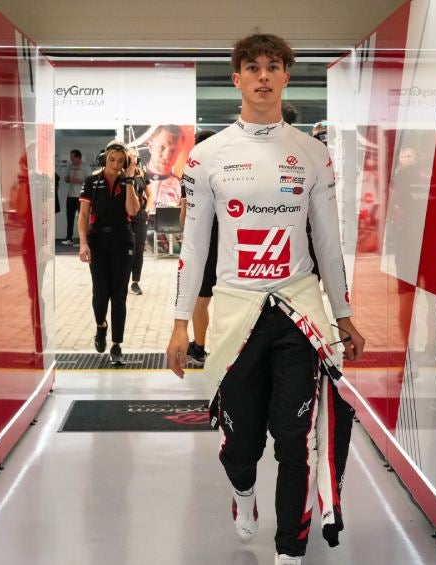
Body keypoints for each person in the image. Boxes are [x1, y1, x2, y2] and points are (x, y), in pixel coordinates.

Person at [167, 34, 364, 565]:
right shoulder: (206, 157)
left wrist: (343, 314)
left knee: (295, 439)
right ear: (236, 79)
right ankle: (244, 491)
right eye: (251, 67)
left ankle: (289, 551)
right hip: (236, 313)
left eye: (272, 67)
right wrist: (181, 323)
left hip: (298, 311)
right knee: (242, 444)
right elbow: (194, 246)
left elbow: (327, 243)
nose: (262, 76)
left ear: (285, 77)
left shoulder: (313, 154)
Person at [79, 141, 141, 365]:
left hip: (122, 242)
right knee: (100, 293)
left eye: (120, 161)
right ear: (104, 159)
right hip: (97, 243)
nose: (115, 165)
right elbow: (83, 216)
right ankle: (101, 326)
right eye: (112, 160)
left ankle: (116, 345)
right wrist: (83, 243)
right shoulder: (91, 182)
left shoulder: (129, 182)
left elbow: (133, 210)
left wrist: (130, 180)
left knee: (119, 295)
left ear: (126, 163)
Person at [179, 129, 217, 364]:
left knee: (200, 301)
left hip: (204, 244)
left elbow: (185, 217)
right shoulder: (231, 171)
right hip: (233, 243)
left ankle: (200, 348)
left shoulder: (191, 172)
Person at [144, 124, 186, 212]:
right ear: (151, 147)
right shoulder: (133, 181)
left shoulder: (180, 187)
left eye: (174, 150)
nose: (167, 156)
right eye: (162, 147)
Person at [125, 147, 149, 295]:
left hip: (140, 215)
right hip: (124, 216)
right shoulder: (120, 174)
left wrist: (147, 210)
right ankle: (121, 280)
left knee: (138, 249)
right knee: (125, 249)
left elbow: (149, 194)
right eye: (130, 156)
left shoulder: (141, 174)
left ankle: (135, 282)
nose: (133, 159)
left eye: (134, 156)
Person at [60, 149, 89, 245]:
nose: (71, 159)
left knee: (82, 219)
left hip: (82, 196)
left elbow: (90, 181)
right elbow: (67, 178)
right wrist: (67, 179)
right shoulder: (70, 166)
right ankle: (69, 238)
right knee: (70, 218)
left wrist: (79, 181)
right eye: (71, 158)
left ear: (78, 157)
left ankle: (83, 240)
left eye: (72, 158)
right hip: (70, 196)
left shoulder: (85, 167)